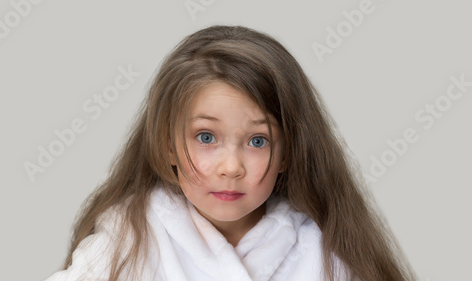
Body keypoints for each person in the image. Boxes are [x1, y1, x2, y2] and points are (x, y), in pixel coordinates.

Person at [44, 25, 417, 281]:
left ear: (288, 153)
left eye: (258, 141)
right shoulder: (128, 237)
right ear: (167, 144)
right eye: (206, 137)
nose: (231, 167)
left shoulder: (325, 252)